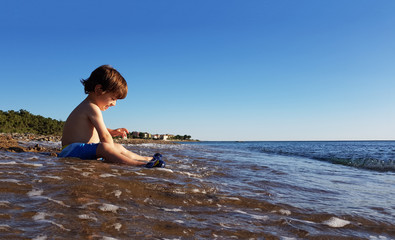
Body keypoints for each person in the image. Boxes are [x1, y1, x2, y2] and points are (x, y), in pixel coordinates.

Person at [59, 65, 165, 168]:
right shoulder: (91, 107)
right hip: (71, 151)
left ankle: (146, 159)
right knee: (105, 147)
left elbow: (93, 129)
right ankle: (140, 165)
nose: (114, 104)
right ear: (99, 90)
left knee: (118, 147)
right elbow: (104, 137)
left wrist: (112, 132)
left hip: (76, 150)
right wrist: (110, 150)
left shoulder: (88, 106)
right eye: (113, 98)